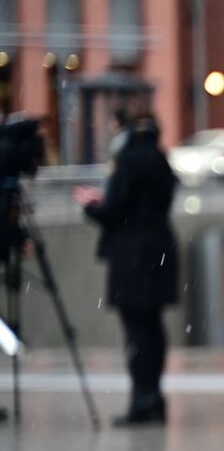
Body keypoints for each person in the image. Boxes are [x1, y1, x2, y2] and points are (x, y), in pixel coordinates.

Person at [73, 114, 180, 427]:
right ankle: (153, 395)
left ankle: (142, 399)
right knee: (152, 326)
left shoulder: (128, 162)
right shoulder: (161, 161)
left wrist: (90, 206)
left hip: (132, 256)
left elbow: (113, 210)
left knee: (137, 330)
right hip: (160, 251)